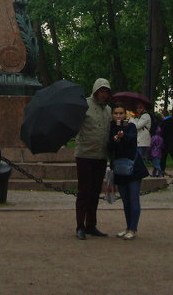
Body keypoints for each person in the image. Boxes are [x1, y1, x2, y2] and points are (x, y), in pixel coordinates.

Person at [73, 78, 112, 239]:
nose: (103, 94)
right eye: (101, 91)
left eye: (106, 91)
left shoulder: (109, 110)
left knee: (95, 191)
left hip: (101, 155)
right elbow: (75, 124)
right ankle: (80, 226)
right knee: (84, 192)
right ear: (95, 91)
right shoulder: (84, 105)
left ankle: (91, 224)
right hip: (85, 155)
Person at [109, 103, 147, 239]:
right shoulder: (111, 128)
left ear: (125, 114)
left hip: (133, 168)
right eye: (116, 113)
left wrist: (122, 136)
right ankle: (127, 227)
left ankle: (133, 228)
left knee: (133, 198)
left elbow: (131, 139)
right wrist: (114, 140)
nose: (118, 116)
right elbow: (109, 146)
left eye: (121, 113)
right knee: (125, 200)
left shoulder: (130, 126)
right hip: (119, 168)